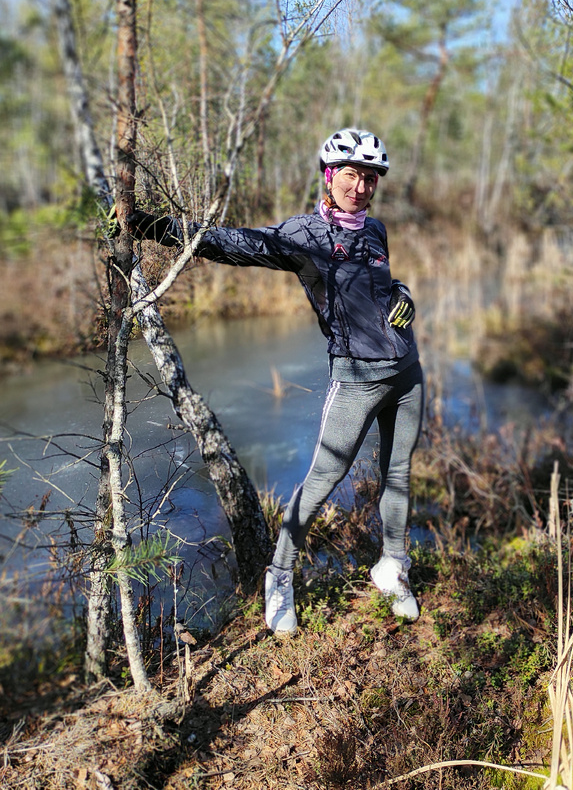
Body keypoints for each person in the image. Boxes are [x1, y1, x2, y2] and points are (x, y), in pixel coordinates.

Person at [127, 128, 424, 635]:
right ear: (330, 177)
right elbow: (237, 244)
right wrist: (155, 225)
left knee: (399, 475)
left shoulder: (374, 232)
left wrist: (403, 292)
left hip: (407, 373)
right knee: (320, 482)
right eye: (351, 175)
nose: (361, 186)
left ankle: (392, 567)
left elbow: (381, 285)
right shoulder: (305, 236)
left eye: (370, 177)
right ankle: (279, 577)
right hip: (355, 376)